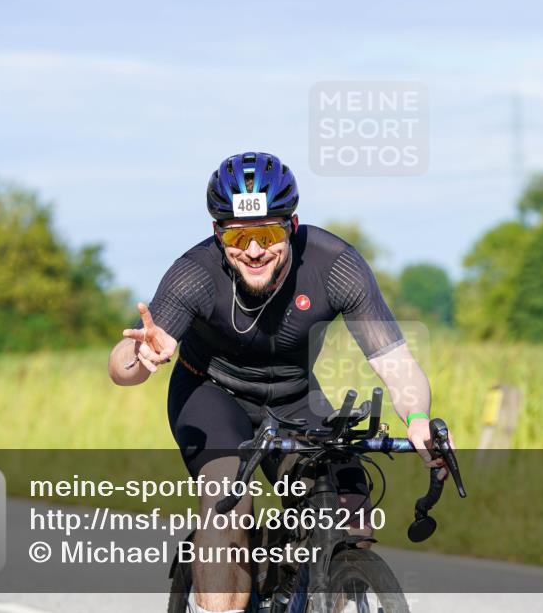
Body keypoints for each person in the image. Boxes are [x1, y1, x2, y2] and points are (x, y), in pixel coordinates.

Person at [108, 151, 447, 613]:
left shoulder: (335, 265)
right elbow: (122, 368)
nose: (253, 250)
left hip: (293, 397)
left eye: (267, 234)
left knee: (349, 508)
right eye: (238, 236)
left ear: (292, 226)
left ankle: (311, 582)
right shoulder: (194, 274)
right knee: (228, 500)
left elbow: (396, 363)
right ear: (217, 234)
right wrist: (140, 357)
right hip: (211, 393)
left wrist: (418, 418)